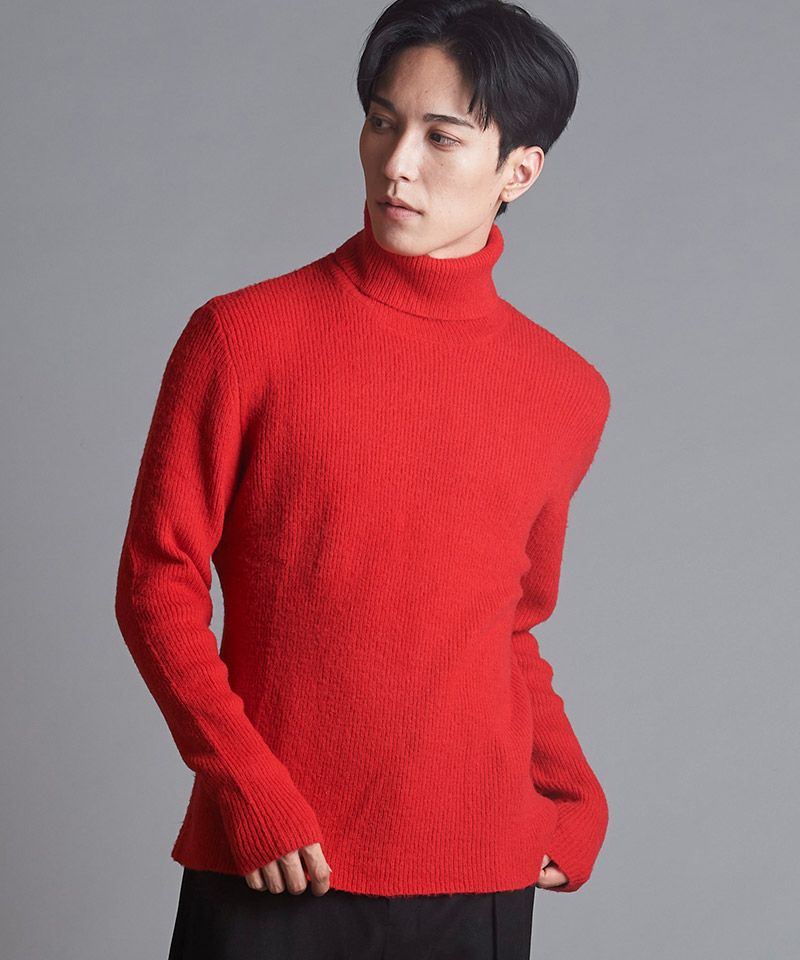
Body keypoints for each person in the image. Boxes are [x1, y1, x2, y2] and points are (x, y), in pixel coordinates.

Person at [114, 1, 612, 956]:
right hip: (277, 863)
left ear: (519, 170)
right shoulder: (243, 337)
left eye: (441, 137)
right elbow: (156, 585)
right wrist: (245, 785)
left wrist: (573, 793)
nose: (396, 164)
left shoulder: (566, 391)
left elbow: (507, 626)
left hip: (481, 872)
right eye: (382, 122)